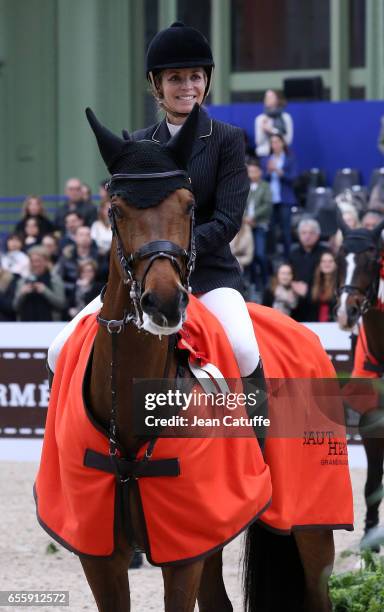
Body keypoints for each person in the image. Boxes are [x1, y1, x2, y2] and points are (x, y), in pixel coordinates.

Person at [48, 21, 262, 384]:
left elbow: (227, 221)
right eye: (176, 78)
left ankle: (256, 438)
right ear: (158, 85)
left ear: (206, 81)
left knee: (242, 350)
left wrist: (171, 252)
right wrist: (152, 260)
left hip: (210, 276)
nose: (187, 86)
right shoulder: (142, 143)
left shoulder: (227, 139)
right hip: (141, 277)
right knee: (58, 351)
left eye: (195, 76)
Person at [262, 133, 297, 260]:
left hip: (285, 200)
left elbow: (293, 178)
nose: (275, 144)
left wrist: (278, 170)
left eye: (277, 141)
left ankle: (288, 258)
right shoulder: (266, 159)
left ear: (282, 143)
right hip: (270, 200)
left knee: (286, 231)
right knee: (270, 230)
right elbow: (262, 180)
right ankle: (272, 258)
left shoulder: (290, 158)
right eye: (273, 142)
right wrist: (268, 172)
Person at [13, 246, 66, 321]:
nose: (36, 264)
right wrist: (22, 293)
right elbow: (15, 307)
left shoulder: (54, 279)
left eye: (39, 261)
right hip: (25, 325)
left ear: (46, 261)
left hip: (50, 324)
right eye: (32, 261)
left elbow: (61, 304)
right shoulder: (23, 281)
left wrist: (45, 291)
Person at [289, 218, 328, 322]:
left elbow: (329, 278)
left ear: (318, 235)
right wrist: (292, 284)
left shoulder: (326, 253)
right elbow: (286, 272)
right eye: (304, 232)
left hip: (318, 301)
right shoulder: (293, 253)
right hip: (296, 301)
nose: (307, 236)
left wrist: (308, 291)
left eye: (311, 233)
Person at [244, 159, 272, 290]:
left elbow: (267, 205)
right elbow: (240, 204)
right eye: (250, 171)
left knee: (260, 254)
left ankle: (266, 280)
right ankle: (254, 282)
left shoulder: (265, 186)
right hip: (246, 226)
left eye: (254, 171)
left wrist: (253, 217)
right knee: (251, 255)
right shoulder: (245, 185)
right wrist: (245, 218)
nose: (252, 173)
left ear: (260, 172)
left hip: (260, 224)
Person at [254, 89, 293, 158]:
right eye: (266, 97)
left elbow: (288, 141)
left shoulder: (286, 117)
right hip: (263, 155)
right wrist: (263, 129)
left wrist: (271, 130)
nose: (267, 99)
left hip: (281, 156)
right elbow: (259, 142)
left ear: (278, 99)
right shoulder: (260, 119)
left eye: (270, 97)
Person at [310, 251, 337, 322]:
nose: (327, 264)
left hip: (333, 324)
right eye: (324, 261)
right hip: (315, 324)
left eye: (330, 261)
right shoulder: (313, 282)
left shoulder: (340, 284)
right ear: (320, 264)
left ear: (335, 264)